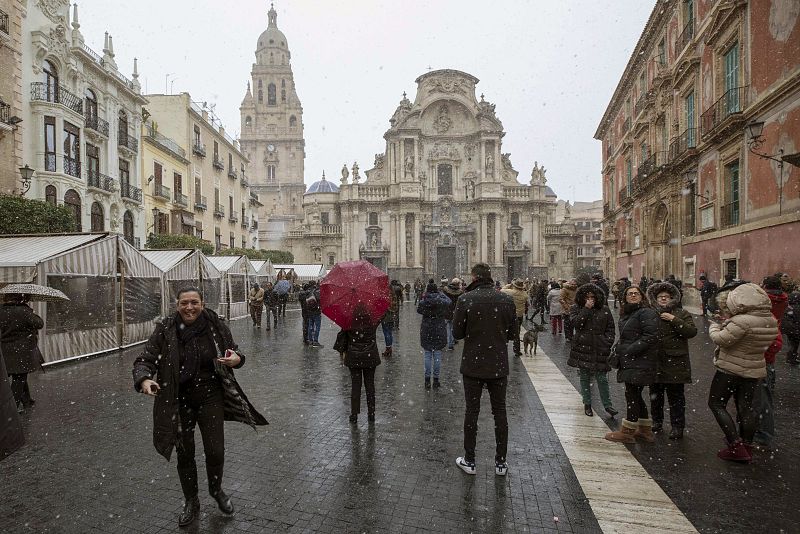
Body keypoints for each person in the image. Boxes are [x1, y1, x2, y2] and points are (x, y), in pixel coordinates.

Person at [133, 287, 267, 527]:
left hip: (210, 396)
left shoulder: (215, 325)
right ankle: (191, 500)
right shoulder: (166, 328)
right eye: (184, 303)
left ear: (202, 305)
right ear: (177, 305)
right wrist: (144, 379)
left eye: (194, 302)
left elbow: (234, 352)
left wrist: (237, 359)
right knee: (185, 453)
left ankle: (216, 490)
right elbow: (146, 358)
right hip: (178, 398)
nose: (189, 307)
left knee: (215, 450)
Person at [453, 263, 516, 476]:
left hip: (473, 365)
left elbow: (457, 333)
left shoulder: (465, 299)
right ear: (490, 277)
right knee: (500, 412)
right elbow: (513, 334)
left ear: (473, 277)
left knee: (472, 411)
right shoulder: (506, 299)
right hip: (498, 364)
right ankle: (500, 463)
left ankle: (469, 460)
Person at [708, 282, 778, 462]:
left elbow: (722, 339)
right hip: (753, 369)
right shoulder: (770, 319)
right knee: (745, 408)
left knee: (716, 404)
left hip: (730, 369)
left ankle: (735, 445)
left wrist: (714, 326)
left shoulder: (742, 321)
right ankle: (747, 445)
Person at [604, 286, 660, 443]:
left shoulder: (646, 312)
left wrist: (630, 349)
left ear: (642, 296)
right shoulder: (629, 312)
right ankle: (645, 430)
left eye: (636, 293)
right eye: (630, 294)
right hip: (632, 360)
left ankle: (627, 432)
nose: (633, 295)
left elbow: (651, 336)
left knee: (632, 394)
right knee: (635, 393)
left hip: (639, 360)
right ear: (625, 297)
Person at [646, 282, 698, 440]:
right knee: (655, 395)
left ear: (672, 299)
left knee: (676, 397)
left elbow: (691, 332)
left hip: (675, 362)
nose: (663, 299)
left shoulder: (682, 313)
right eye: (660, 297)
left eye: (666, 297)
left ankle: (677, 427)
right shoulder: (649, 313)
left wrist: (674, 319)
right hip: (655, 362)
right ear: (655, 299)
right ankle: (656, 421)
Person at [567, 283, 618, 418]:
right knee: (584, 377)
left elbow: (611, 328)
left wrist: (607, 342)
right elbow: (576, 324)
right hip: (582, 347)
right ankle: (587, 404)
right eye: (587, 297)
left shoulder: (605, 310)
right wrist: (586, 310)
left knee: (602, 377)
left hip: (600, 348)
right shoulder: (576, 309)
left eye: (593, 297)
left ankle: (607, 405)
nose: (590, 299)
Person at [752, 276, 788, 449]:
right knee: (764, 396)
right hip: (768, 355)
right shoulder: (783, 298)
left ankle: (763, 433)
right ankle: (758, 430)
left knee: (761, 398)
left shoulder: (764, 302)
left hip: (761, 355)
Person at [334, 304, 381, 423]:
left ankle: (354, 414)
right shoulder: (373, 319)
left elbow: (342, 337)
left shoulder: (348, 320)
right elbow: (382, 315)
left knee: (355, 386)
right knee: (370, 386)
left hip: (354, 357)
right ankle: (371, 413)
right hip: (370, 357)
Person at [0, 294, 44, 413]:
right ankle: (12, 408)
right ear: (21, 299)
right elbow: (39, 324)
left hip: (5, 350)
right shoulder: (24, 311)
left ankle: (27, 400)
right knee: (19, 378)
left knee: (18, 374)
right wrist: (32, 313)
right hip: (21, 351)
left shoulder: (2, 310)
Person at [417, 279, 451, 389]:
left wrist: (425, 297)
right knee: (437, 354)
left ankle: (427, 380)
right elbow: (449, 301)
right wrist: (441, 294)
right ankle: (436, 380)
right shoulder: (441, 301)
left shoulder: (424, 301)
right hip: (439, 328)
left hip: (427, 328)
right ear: (437, 291)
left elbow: (419, 310)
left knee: (427, 354)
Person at [501, 278, 529, 356]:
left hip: (510, 314)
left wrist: (509, 285)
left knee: (506, 331)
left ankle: (504, 347)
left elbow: (502, 290)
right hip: (519, 315)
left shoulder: (511, 292)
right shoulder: (525, 294)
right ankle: (517, 350)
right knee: (517, 333)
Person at [442, 278, 463, 350]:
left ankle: (443, 343)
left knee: (444, 328)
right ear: (458, 284)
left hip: (447, 311)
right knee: (452, 328)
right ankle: (451, 344)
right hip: (455, 312)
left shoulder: (446, 290)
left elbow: (443, 300)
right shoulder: (460, 292)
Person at [782, 292, 800, 365]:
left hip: (792, 331)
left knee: (792, 346)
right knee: (795, 345)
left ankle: (791, 359)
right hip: (797, 329)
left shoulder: (789, 308)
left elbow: (785, 321)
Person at [305, 281, 322, 347]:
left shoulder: (307, 291)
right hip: (316, 312)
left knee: (310, 327)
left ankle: (310, 341)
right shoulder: (317, 291)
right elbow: (319, 300)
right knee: (317, 327)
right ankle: (315, 341)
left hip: (310, 312)